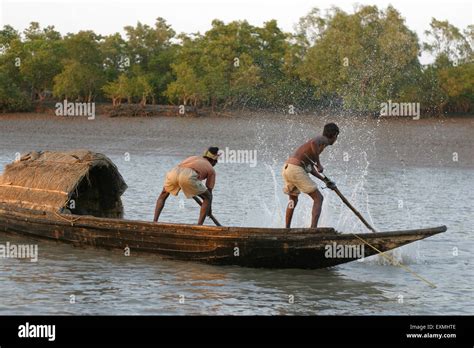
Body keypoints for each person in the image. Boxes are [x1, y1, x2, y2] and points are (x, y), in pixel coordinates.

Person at [282, 123, 339, 228]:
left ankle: (287, 229)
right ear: (334, 135)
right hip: (296, 169)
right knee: (319, 198)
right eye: (336, 137)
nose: (336, 140)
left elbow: (310, 168)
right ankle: (313, 229)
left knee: (293, 199)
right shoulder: (323, 140)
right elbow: (313, 143)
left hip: (288, 168)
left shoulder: (319, 145)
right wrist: (319, 163)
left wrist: (325, 180)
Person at [153, 147, 219, 225]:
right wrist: (209, 210)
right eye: (216, 162)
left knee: (163, 194)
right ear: (213, 161)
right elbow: (209, 191)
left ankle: (154, 221)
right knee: (208, 197)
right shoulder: (211, 169)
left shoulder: (193, 158)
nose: (215, 164)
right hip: (187, 177)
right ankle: (199, 225)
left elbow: (183, 170)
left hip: (174, 172)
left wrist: (183, 184)